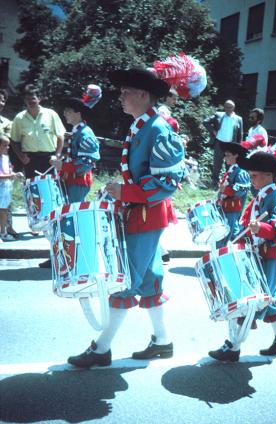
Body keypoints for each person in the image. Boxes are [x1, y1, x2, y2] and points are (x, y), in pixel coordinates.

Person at [67, 68, 185, 368]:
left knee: (125, 282)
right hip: (140, 214)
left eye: (125, 92)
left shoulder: (158, 128)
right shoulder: (141, 125)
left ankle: (101, 349)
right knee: (149, 278)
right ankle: (163, 341)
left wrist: (125, 191)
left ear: (143, 95)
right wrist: (116, 193)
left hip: (145, 215)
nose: (120, 97)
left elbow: (167, 184)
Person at [209, 149, 276, 362]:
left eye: (254, 176)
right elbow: (247, 220)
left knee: (250, 301)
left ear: (269, 175)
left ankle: (233, 347)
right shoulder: (262, 194)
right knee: (269, 297)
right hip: (258, 254)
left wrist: (263, 229)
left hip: (270, 256)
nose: (251, 180)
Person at [50, 86, 101, 203]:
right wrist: (61, 163)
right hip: (71, 181)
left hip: (78, 182)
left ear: (78, 113)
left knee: (73, 215)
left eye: (68, 111)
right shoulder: (77, 131)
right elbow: (75, 157)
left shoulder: (85, 134)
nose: (64, 113)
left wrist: (62, 166)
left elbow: (87, 163)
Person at [10, 84, 65, 179]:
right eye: (27, 99)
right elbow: (14, 141)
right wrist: (21, 156)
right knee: (33, 190)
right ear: (24, 100)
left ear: (39, 98)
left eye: (33, 98)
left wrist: (57, 155)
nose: (30, 101)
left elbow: (60, 136)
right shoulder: (19, 118)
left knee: (49, 189)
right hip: (30, 159)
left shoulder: (51, 114)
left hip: (49, 159)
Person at [216, 142, 250, 247]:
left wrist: (225, 189)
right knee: (229, 234)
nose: (225, 158)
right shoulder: (231, 170)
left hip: (232, 209)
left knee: (225, 235)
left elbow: (241, 190)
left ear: (236, 155)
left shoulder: (241, 172)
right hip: (224, 208)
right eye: (225, 155)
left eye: (228, 155)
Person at [203, 100, 243, 187]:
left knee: (230, 165)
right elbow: (205, 122)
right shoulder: (218, 115)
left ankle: (228, 183)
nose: (228, 109)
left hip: (231, 145)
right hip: (219, 143)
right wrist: (212, 130)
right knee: (217, 163)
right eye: (227, 107)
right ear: (224, 107)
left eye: (230, 107)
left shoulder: (238, 119)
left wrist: (239, 148)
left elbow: (240, 134)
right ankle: (214, 182)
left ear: (234, 108)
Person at [0, 88, 20, 239]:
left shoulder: (7, 123)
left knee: (5, 197)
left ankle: (8, 227)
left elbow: (9, 143)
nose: (0, 103)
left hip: (2, 162)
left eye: (2, 100)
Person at [0, 135, 23, 242]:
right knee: (2, 211)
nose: (8, 148)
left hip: (6, 188)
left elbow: (8, 171)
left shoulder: (5, 158)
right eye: (5, 145)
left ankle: (5, 230)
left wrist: (15, 174)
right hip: (2, 186)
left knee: (5, 210)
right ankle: (3, 233)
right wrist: (10, 176)